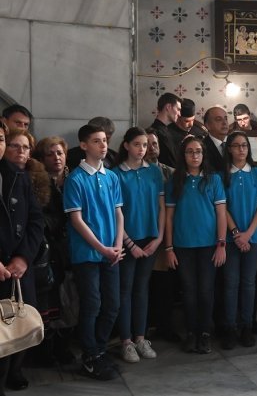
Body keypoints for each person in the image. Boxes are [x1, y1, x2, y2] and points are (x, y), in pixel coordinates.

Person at [63, 124, 125, 380]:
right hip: (87, 254)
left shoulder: (111, 177)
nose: (103, 145)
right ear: (84, 145)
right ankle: (89, 356)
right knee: (92, 304)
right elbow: (77, 220)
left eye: (105, 141)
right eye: (97, 141)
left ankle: (99, 349)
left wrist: (118, 245)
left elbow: (118, 213)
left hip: (112, 253)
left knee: (112, 305)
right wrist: (102, 248)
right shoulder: (75, 179)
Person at [164, 136, 227, 354]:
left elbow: (221, 214)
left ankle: (205, 333)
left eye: (198, 151)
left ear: (203, 154)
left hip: (209, 245)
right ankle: (192, 333)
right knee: (189, 291)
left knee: (206, 290)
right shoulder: (175, 181)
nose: (194, 155)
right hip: (183, 245)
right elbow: (168, 217)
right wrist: (169, 248)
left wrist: (221, 244)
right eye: (190, 152)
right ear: (183, 155)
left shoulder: (213, 180)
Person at [112, 127, 165, 363]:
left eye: (145, 145)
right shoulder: (116, 174)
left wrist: (159, 238)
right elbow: (116, 213)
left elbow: (162, 207)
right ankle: (126, 341)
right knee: (125, 289)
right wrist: (129, 243)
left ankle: (141, 338)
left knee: (142, 288)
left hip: (150, 238)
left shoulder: (154, 171)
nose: (142, 149)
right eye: (137, 144)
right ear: (126, 145)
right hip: (127, 240)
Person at [0, 122, 44, 393]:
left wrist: (24, 258)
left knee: (18, 323)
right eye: (12, 144)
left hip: (16, 266)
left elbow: (36, 221)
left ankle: (13, 372)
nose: (19, 151)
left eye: (1, 138)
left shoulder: (21, 177)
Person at [32, 136, 77, 366]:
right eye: (50, 154)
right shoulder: (37, 182)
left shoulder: (74, 179)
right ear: (42, 158)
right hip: (48, 250)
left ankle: (64, 345)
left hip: (73, 247)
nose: (56, 158)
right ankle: (45, 351)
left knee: (72, 299)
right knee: (50, 301)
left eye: (59, 153)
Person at [221, 131, 257, 349]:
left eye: (245, 146)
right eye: (237, 146)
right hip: (231, 238)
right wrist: (236, 233)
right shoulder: (222, 175)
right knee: (231, 284)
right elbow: (223, 208)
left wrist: (248, 234)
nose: (241, 149)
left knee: (249, 283)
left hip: (254, 237)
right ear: (229, 149)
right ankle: (229, 328)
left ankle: (247, 326)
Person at [143, 128, 178, 342]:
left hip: (167, 237)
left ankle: (166, 326)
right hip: (144, 234)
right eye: (146, 144)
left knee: (166, 284)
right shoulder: (135, 172)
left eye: (154, 143)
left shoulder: (171, 173)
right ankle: (145, 326)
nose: (151, 148)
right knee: (145, 284)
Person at [230, 103, 257, 169]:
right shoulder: (232, 134)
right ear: (235, 120)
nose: (243, 123)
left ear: (250, 116)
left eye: (245, 118)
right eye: (239, 120)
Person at [150, 92, 182, 168]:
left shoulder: (167, 131)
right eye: (178, 109)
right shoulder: (153, 133)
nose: (179, 114)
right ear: (168, 107)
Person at [202, 105, 229, 172]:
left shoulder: (235, 142)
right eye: (218, 119)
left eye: (225, 118)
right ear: (208, 125)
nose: (224, 123)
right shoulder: (202, 147)